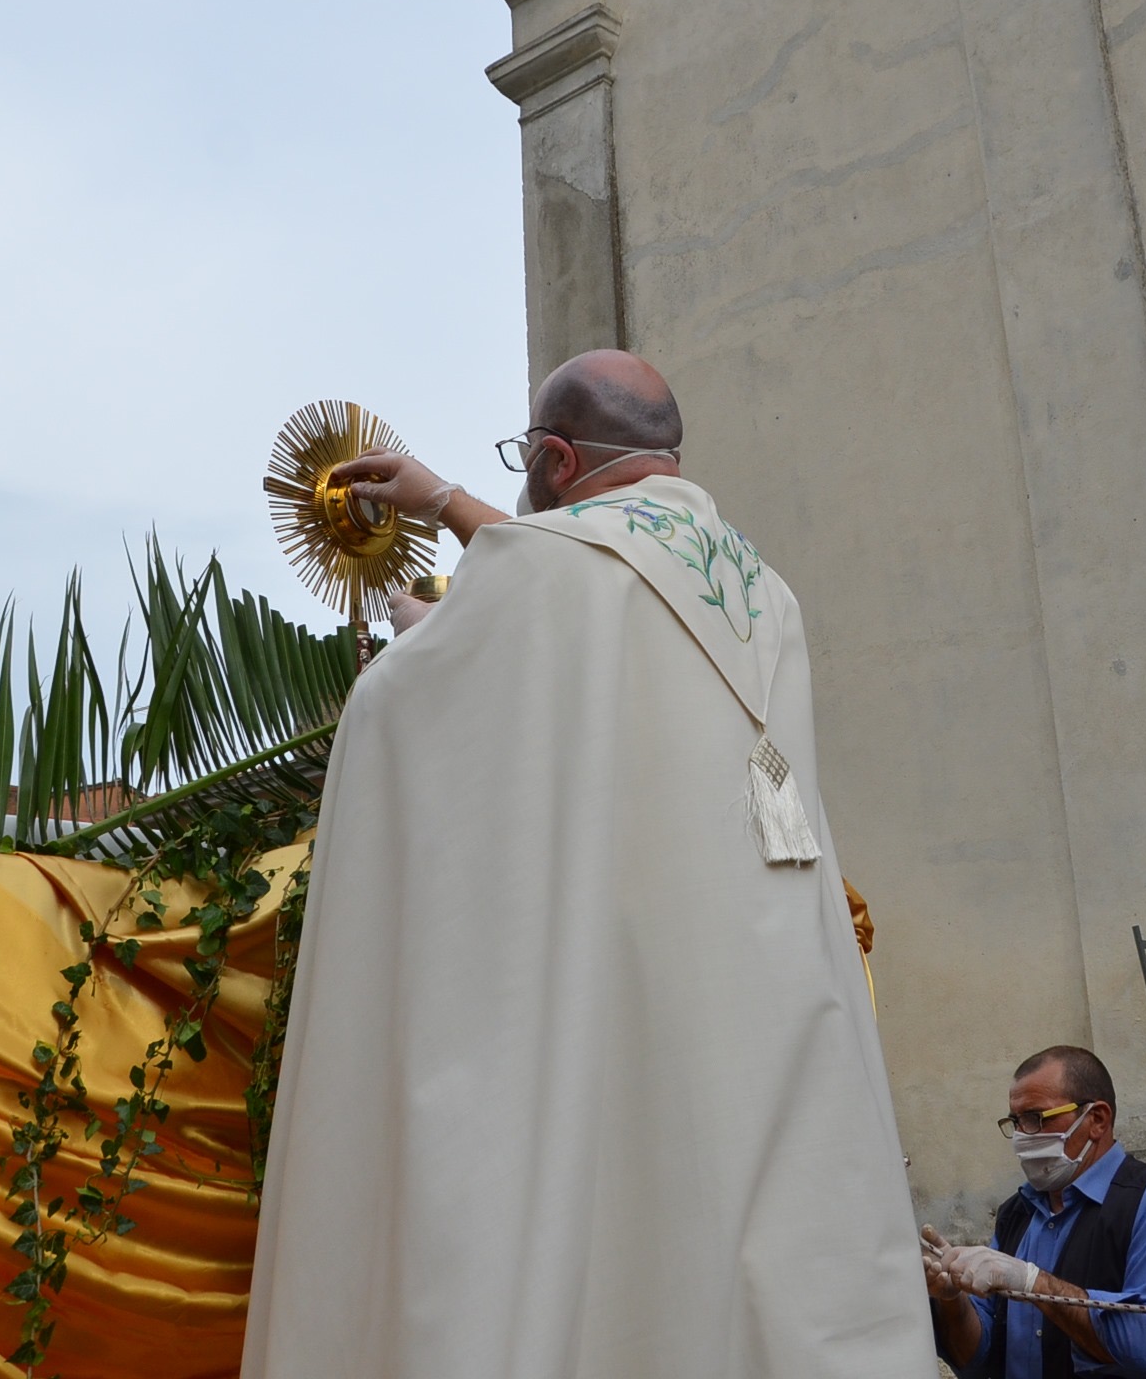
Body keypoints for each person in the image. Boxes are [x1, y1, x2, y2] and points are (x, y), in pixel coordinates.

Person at [241, 350, 932, 1379]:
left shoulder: (560, 565)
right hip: (766, 997)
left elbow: (460, 682)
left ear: (556, 458)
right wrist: (460, 527)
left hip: (625, 983)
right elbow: (586, 588)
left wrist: (415, 633)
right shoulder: (763, 590)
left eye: (527, 459)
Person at [922, 1045, 1146, 1379]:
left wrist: (1034, 1282)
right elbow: (978, 1358)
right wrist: (952, 1299)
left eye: (1036, 1118)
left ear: (1097, 1120)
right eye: (1015, 1122)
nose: (1021, 1137)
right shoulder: (1016, 1212)